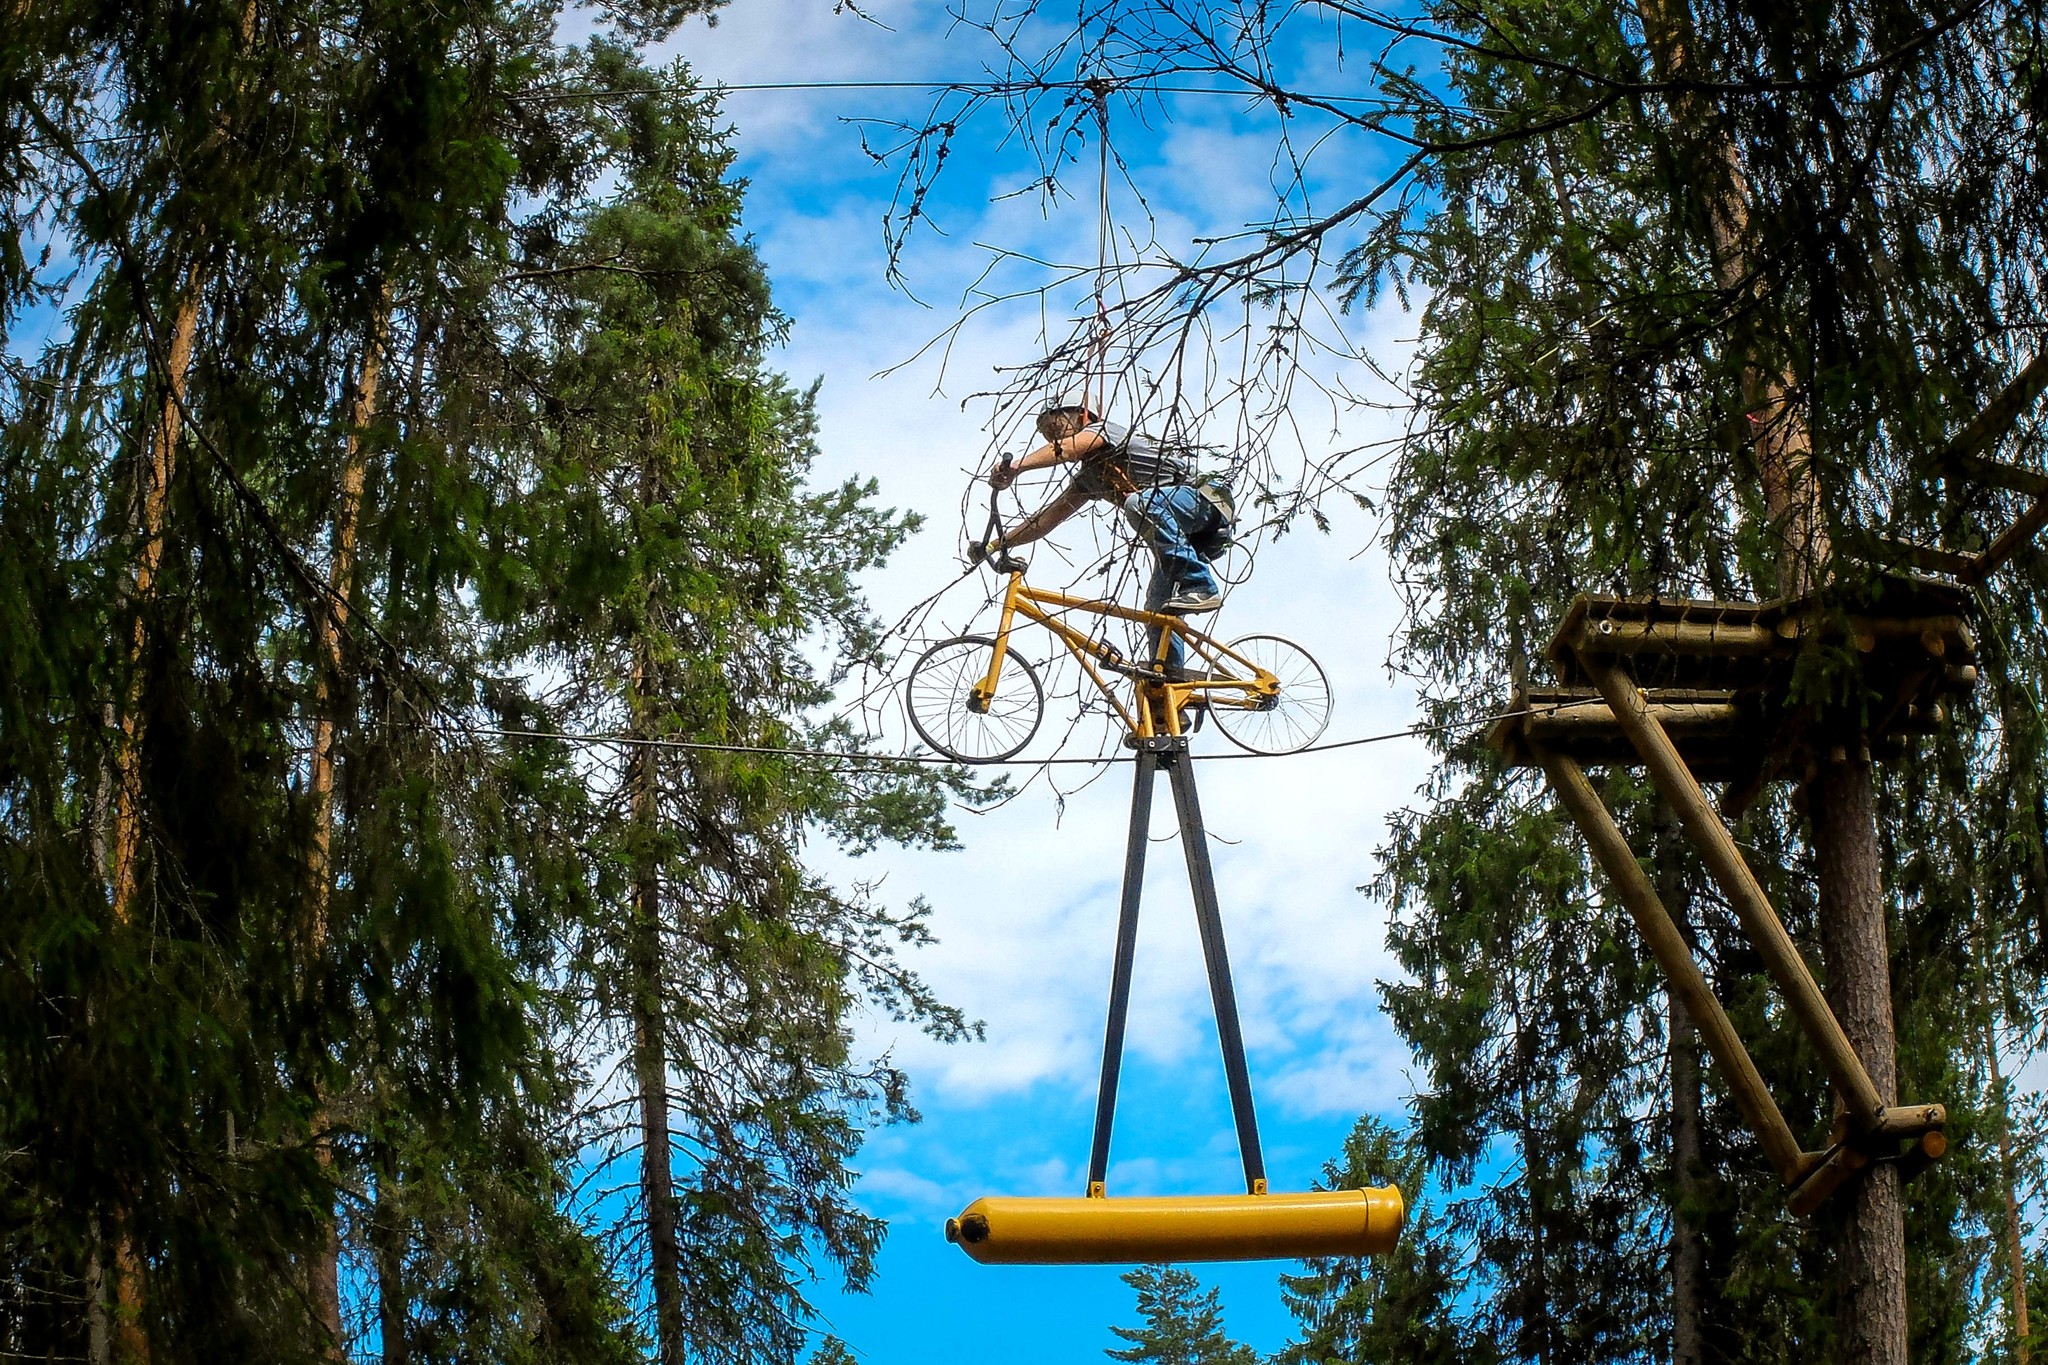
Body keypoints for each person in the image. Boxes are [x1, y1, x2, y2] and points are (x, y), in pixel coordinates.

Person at [974, 403, 1230, 622]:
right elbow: (1045, 521)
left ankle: (1200, 585)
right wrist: (994, 545)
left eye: (1056, 426)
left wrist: (1017, 466)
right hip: (1178, 525)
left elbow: (1069, 447)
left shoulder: (1102, 430)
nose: (1052, 437)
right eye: (1046, 434)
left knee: (1138, 504)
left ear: (1083, 415)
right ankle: (1164, 675)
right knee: (1156, 608)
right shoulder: (1089, 479)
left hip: (1202, 500)